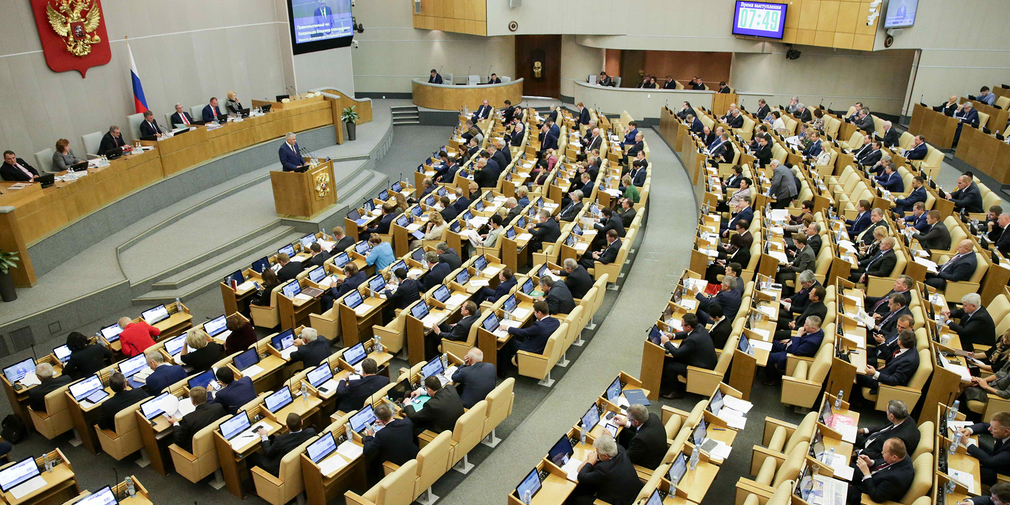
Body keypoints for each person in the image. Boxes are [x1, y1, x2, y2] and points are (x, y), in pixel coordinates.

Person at [569, 434, 643, 505]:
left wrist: (590, 461)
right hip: (634, 494)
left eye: (598, 453)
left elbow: (581, 477)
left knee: (577, 499)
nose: (597, 454)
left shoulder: (603, 469)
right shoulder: (622, 452)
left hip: (620, 502)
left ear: (605, 456)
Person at [659, 313, 717, 399]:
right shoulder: (699, 327)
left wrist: (666, 343)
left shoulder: (692, 340)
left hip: (700, 367)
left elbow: (677, 354)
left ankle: (676, 392)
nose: (681, 326)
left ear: (689, 326)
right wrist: (673, 335)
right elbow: (687, 334)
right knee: (669, 359)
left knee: (670, 366)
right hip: (704, 359)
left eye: (682, 325)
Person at [363, 403, 418, 484]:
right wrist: (384, 424)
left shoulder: (381, 434)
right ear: (391, 412)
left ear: (380, 419)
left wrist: (369, 436)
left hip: (397, 464)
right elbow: (396, 425)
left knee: (372, 462)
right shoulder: (407, 422)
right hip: (413, 456)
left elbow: (367, 451)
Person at [847, 438, 914, 505]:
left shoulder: (896, 478)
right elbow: (883, 461)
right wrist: (871, 462)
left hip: (867, 492)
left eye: (884, 452)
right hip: (869, 477)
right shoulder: (900, 454)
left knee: (842, 489)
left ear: (894, 457)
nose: (882, 453)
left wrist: (866, 473)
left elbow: (876, 496)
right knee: (846, 464)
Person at [498, 301, 559, 373]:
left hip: (530, 351)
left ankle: (502, 371)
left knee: (507, 342)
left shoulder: (538, 326)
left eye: (534, 312)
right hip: (541, 345)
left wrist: (507, 328)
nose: (534, 314)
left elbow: (524, 332)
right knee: (518, 334)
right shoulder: (555, 321)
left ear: (539, 313)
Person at [249, 413, 316, 477]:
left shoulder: (280, 440)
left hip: (277, 468)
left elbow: (268, 453)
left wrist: (264, 436)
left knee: (250, 455)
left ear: (287, 427)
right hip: (297, 464)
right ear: (302, 422)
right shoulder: (311, 432)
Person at [764, 315, 825, 384]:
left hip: (791, 355)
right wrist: (791, 340)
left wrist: (798, 335)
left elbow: (795, 351)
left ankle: (774, 379)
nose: (803, 326)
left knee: (768, 357)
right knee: (769, 341)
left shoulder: (812, 342)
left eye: (806, 325)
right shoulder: (816, 331)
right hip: (789, 346)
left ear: (813, 328)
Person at [853, 400, 920, 462]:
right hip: (871, 439)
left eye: (887, 411)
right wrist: (863, 430)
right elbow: (883, 427)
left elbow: (882, 455)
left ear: (892, 416)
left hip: (870, 452)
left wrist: (858, 452)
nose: (886, 412)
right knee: (850, 434)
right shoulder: (902, 417)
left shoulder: (899, 439)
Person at [857, 329, 919, 395]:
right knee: (859, 365)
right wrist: (884, 366)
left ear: (900, 342)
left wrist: (875, 373)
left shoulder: (908, 361)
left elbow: (894, 380)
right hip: (883, 372)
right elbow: (893, 360)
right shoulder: (908, 347)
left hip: (883, 383)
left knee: (856, 372)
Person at [956, 412, 1010, 486]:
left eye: (993, 428)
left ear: (1006, 432)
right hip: (996, 455)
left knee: (969, 468)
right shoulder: (1001, 430)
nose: (989, 429)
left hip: (999, 472)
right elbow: (984, 426)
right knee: (977, 443)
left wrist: (966, 443)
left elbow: (990, 462)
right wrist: (969, 430)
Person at [169, 386, 226, 452]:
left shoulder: (188, 419)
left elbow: (179, 439)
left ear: (193, 401)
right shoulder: (218, 407)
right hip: (216, 441)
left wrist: (175, 423)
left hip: (197, 449)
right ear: (206, 396)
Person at [612, 404, 665, 469]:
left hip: (648, 463)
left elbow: (626, 457)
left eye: (629, 420)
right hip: (654, 449)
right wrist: (625, 423)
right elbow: (641, 427)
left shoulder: (640, 439)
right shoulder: (653, 416)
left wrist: (612, 440)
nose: (628, 420)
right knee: (624, 431)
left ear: (636, 422)